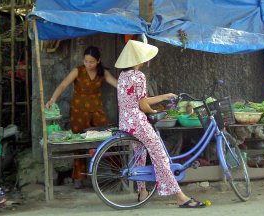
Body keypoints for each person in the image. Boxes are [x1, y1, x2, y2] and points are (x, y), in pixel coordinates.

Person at [115, 40, 205, 208]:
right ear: (137, 60)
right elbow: (142, 105)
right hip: (137, 121)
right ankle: (180, 197)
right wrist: (154, 112)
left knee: (140, 156)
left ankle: (141, 191)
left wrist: (163, 96)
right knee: (160, 156)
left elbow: (138, 100)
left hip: (125, 121)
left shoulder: (122, 76)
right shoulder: (139, 76)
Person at [46, 46, 117, 188]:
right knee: (78, 143)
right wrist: (52, 99)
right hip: (78, 112)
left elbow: (118, 84)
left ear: (98, 61)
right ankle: (78, 178)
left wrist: (132, 92)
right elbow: (63, 85)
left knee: (109, 138)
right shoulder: (78, 71)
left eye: (91, 62)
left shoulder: (103, 72)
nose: (88, 64)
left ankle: (118, 171)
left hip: (96, 111)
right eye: (86, 61)